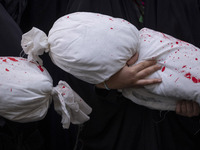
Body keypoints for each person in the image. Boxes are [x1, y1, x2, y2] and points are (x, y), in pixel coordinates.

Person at [58, 0, 200, 150]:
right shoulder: (89, 4)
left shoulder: (185, 4)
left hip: (175, 132)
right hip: (117, 132)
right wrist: (108, 83)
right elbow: (72, 74)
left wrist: (194, 105)